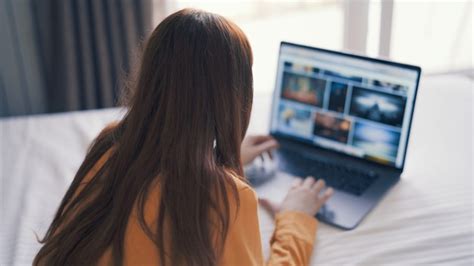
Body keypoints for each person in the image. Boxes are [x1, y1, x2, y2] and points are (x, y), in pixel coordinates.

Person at [34, 8, 333, 266]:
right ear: (232, 99)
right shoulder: (230, 199)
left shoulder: (109, 146)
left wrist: (216, 160)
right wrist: (296, 217)